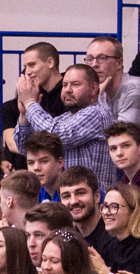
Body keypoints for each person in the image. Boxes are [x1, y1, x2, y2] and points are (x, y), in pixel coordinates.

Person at [14, 63, 117, 191]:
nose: (68, 89)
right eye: (64, 85)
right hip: (67, 197)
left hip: (94, 200)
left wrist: (30, 103)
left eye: (75, 84)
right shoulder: (64, 118)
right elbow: (25, 147)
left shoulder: (97, 113)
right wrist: (24, 115)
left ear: (93, 88)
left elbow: (58, 135)